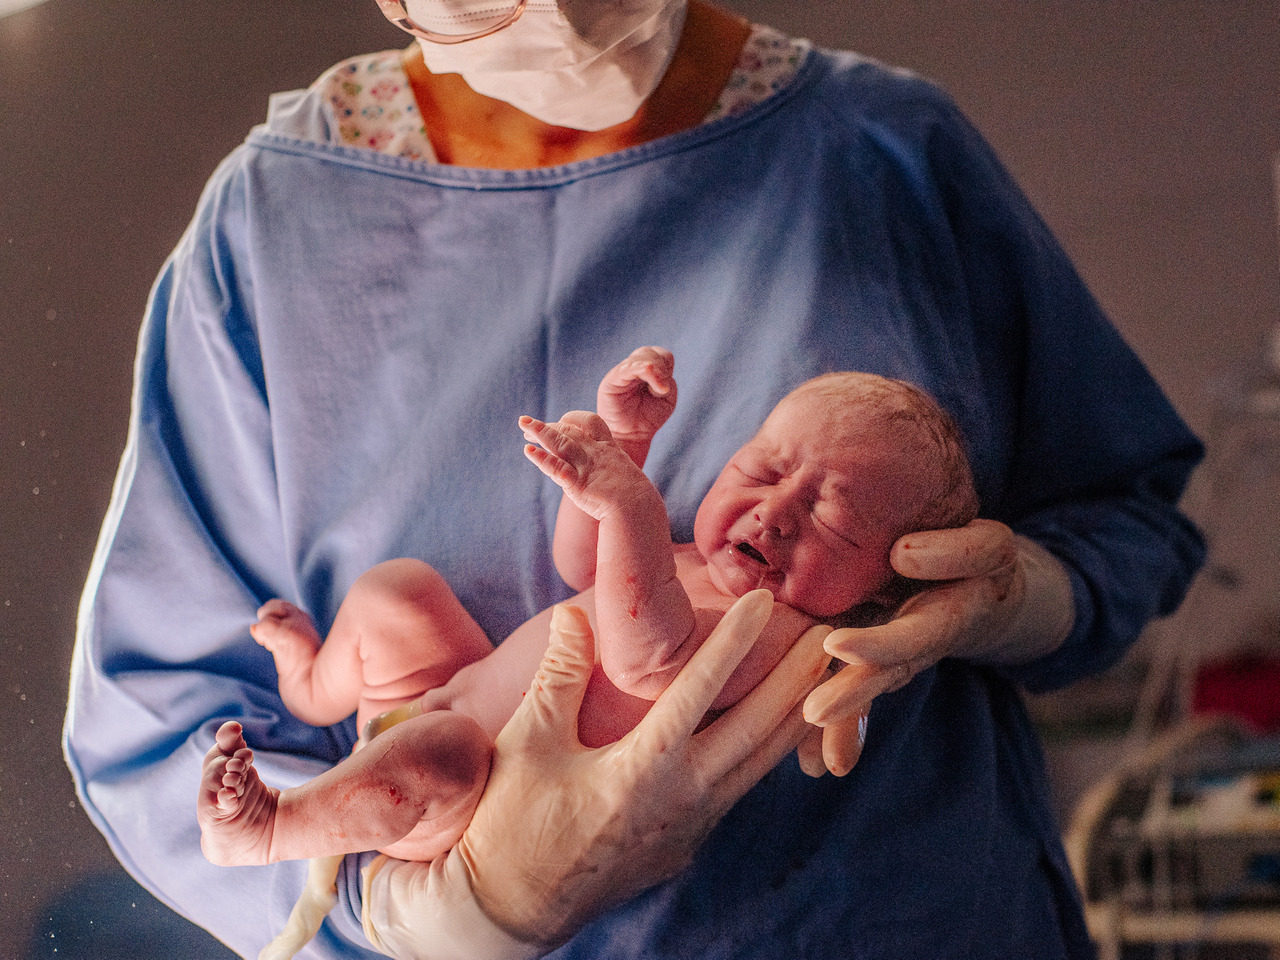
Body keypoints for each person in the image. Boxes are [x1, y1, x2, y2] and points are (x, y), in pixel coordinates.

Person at [63, 0, 1206, 957]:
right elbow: (155, 730)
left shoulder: (882, 149)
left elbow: (1121, 518)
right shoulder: (276, 223)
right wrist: (435, 918)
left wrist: (1027, 596)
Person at [199, 356, 980, 873]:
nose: (773, 513)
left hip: (470, 800)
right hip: (439, 688)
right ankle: (310, 686)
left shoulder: (783, 634)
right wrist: (624, 453)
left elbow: (652, 661)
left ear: (881, 592)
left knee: (441, 753)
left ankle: (271, 829)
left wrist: (631, 503)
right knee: (398, 593)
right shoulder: (693, 558)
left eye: (831, 522)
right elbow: (584, 566)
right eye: (764, 470)